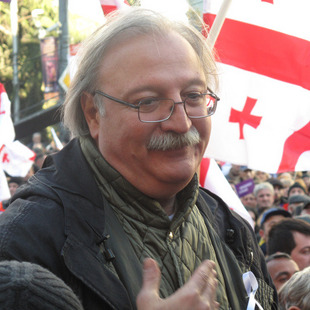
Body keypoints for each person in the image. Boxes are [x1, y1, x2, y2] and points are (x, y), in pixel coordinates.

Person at [0, 7, 277, 310]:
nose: (182, 123)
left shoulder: (231, 228)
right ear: (93, 113)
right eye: (148, 102)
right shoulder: (27, 240)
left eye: (194, 95)